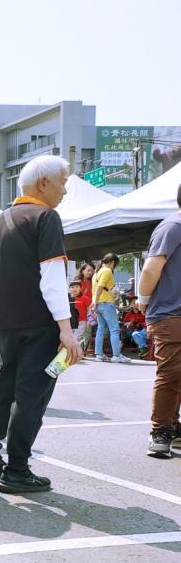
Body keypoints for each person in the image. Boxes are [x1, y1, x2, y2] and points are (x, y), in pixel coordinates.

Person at [0, 155, 83, 494]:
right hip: (40, 326)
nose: (65, 191)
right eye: (63, 183)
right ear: (43, 183)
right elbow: (52, 279)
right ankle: (17, 470)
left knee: (1, 391)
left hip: (5, 326)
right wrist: (66, 330)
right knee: (31, 396)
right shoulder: (46, 218)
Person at [137, 183, 181, 458]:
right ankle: (161, 432)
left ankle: (172, 428)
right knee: (171, 374)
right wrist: (143, 298)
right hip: (170, 313)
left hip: (171, 312)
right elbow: (152, 267)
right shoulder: (173, 226)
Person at [91, 253, 130, 363]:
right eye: (115, 265)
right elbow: (100, 287)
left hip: (99, 304)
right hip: (106, 303)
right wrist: (95, 302)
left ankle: (99, 354)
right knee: (114, 329)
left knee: (101, 329)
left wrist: (94, 302)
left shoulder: (96, 272)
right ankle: (116, 355)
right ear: (112, 262)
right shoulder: (107, 271)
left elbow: (95, 289)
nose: (114, 268)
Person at [74, 262, 96, 355]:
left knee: (87, 331)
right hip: (78, 309)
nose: (90, 272)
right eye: (88, 270)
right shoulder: (77, 281)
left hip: (89, 309)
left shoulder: (93, 282)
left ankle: (82, 351)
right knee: (77, 332)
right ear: (82, 270)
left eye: (92, 271)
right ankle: (76, 351)